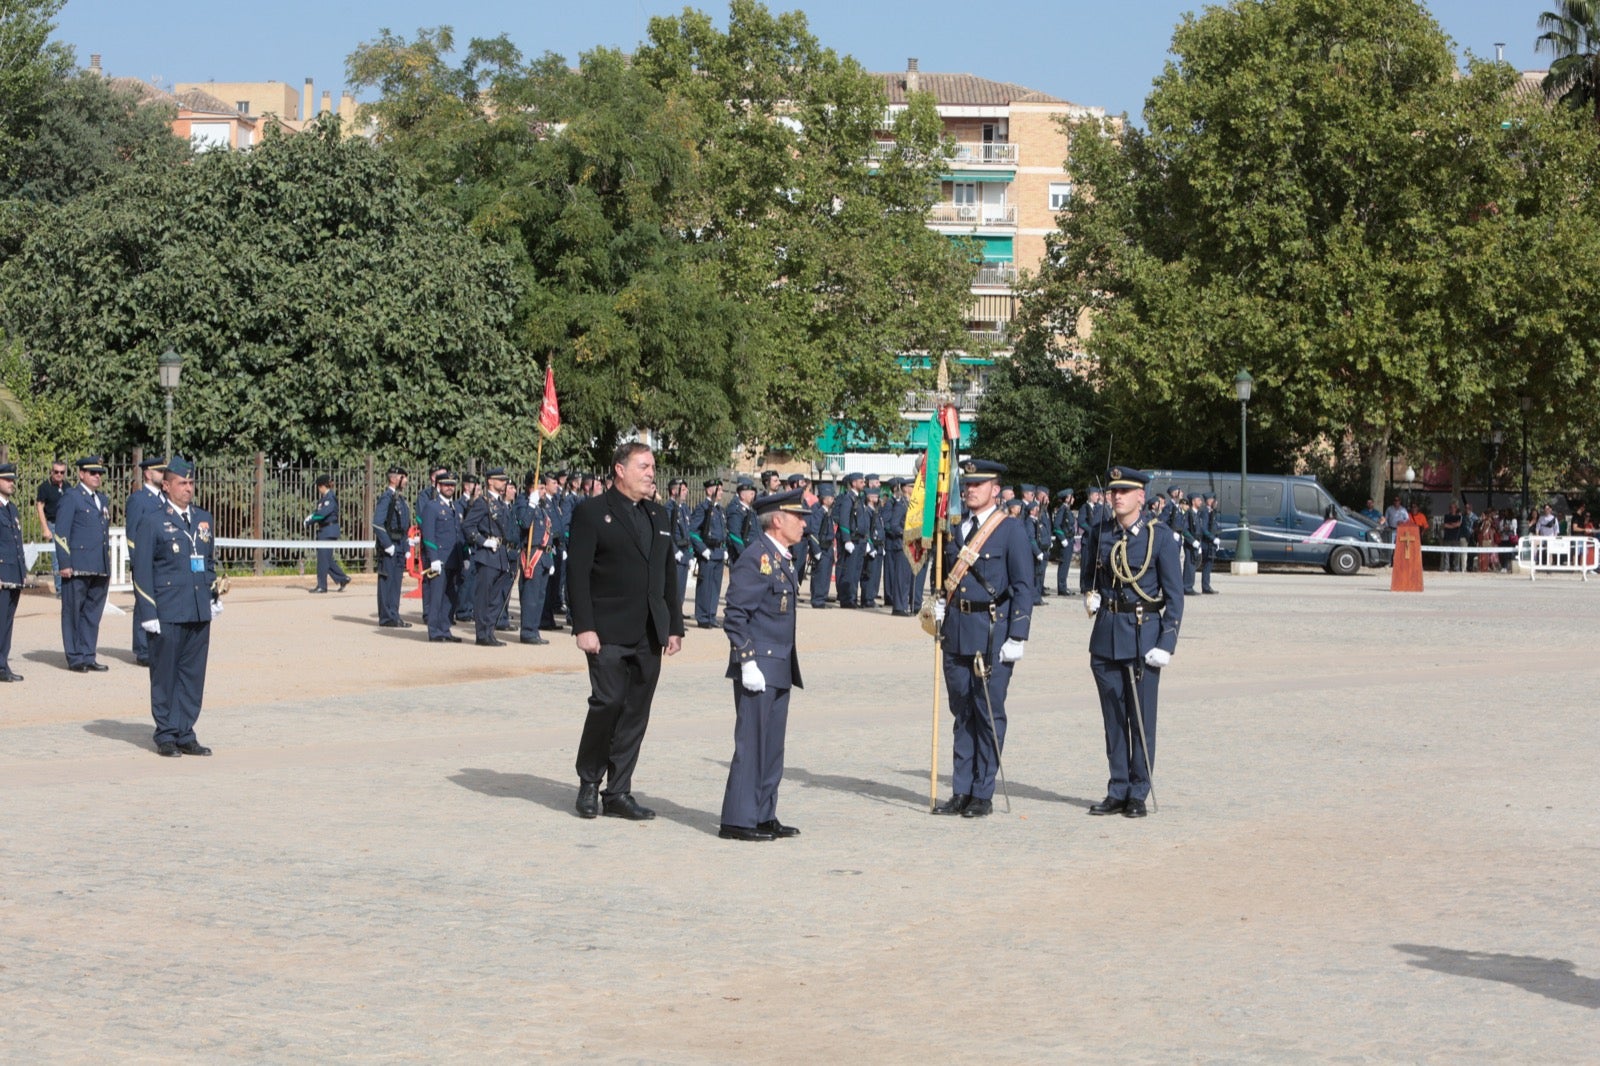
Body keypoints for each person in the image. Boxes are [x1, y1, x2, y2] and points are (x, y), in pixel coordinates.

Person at [567, 441, 685, 821]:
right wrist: (584, 627)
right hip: (608, 629)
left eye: (653, 466)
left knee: (636, 711)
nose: (652, 472)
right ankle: (589, 782)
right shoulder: (592, 512)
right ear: (620, 469)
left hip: (649, 630)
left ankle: (618, 792)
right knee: (608, 703)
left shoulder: (659, 514)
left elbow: (668, 574)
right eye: (644, 466)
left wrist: (674, 626)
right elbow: (578, 575)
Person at [930, 459, 1034, 820]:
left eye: (979, 484)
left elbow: (1023, 586)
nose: (970, 489)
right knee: (962, 713)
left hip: (992, 633)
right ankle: (960, 789)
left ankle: (982, 791)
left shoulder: (1010, 530)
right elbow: (941, 576)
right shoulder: (954, 528)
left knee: (988, 713)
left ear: (995, 488)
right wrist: (937, 606)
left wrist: (1018, 634)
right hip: (957, 630)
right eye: (967, 483)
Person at [1080, 466, 1184, 819]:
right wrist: (1089, 596)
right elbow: (1089, 578)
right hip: (1107, 634)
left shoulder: (1159, 537)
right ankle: (1118, 787)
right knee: (1113, 720)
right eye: (1113, 492)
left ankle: (1138, 790)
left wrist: (1166, 643)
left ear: (1142, 496)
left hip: (1143, 635)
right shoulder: (1100, 534)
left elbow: (1175, 595)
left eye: (1125, 491)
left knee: (1140, 720)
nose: (1117, 497)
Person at [718, 488, 810, 841]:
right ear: (777, 520)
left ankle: (762, 813)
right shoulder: (757, 557)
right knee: (752, 744)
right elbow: (736, 616)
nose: (803, 523)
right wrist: (746, 661)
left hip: (780, 664)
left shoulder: (782, 557)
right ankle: (738, 818)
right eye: (797, 517)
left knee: (772, 746)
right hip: (759, 665)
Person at [130, 457, 222, 757]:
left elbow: (207, 562)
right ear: (166, 486)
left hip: (196, 609)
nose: (188, 488)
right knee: (165, 674)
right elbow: (141, 570)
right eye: (182, 483)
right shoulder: (153, 521)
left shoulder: (203, 519)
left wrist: (213, 596)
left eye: (191, 482)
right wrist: (148, 613)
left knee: (192, 675)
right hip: (167, 610)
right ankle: (166, 733)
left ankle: (186, 732)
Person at [55, 455, 113, 672]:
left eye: (99, 473)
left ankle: (88, 654)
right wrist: (64, 562)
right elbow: (61, 533)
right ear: (81, 474)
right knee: (72, 612)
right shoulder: (72, 497)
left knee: (92, 613)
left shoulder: (102, 499)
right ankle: (75, 656)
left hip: (98, 564)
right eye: (92, 473)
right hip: (77, 565)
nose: (97, 476)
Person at [462, 468, 516, 646]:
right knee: (484, 597)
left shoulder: (501, 503)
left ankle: (489, 630)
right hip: (487, 555)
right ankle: (482, 634)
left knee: (497, 597)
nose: (504, 483)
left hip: (501, 555)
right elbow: (468, 526)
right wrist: (482, 541)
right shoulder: (483, 503)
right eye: (500, 480)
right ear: (490, 481)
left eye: (505, 480)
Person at [125, 456, 168, 665]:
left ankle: (156, 647)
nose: (163, 475)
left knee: (160, 604)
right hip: (145, 562)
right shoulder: (138, 499)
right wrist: (138, 562)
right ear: (148, 474)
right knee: (144, 605)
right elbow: (132, 534)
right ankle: (142, 650)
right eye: (159, 471)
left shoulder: (164, 499)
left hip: (162, 563)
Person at [419, 473, 465, 642]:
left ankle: (445, 629)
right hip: (440, 559)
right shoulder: (432, 507)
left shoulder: (457, 507)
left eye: (452, 485)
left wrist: (464, 556)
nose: (449, 488)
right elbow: (428, 535)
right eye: (446, 485)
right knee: (437, 596)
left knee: (450, 597)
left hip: (454, 559)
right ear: (439, 486)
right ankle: (434, 630)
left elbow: (460, 533)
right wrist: (433, 558)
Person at [514, 470, 555, 646]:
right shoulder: (524, 503)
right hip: (533, 555)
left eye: (544, 488)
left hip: (544, 556)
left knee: (539, 597)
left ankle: (534, 629)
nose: (544, 491)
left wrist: (551, 559)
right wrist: (531, 504)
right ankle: (528, 631)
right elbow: (524, 523)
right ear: (532, 488)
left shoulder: (542, 507)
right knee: (530, 596)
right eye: (541, 487)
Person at [372, 466, 414, 628]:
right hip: (389, 545)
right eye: (404, 477)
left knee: (396, 582)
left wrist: (406, 547)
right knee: (387, 582)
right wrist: (387, 544)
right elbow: (377, 523)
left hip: (399, 545)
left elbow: (403, 526)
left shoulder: (399, 498)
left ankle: (393, 615)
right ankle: (387, 616)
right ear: (394, 479)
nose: (406, 481)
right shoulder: (387, 498)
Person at [688, 478, 728, 628]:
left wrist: (724, 550)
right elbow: (692, 531)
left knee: (716, 586)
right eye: (720, 490)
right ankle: (703, 616)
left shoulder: (719, 509)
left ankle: (711, 615)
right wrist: (702, 549)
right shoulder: (702, 508)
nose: (722, 493)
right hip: (708, 551)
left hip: (718, 551)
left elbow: (723, 532)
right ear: (711, 490)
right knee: (705, 585)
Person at [0, 463, 25, 682]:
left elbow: (16, 543)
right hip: (1, 573)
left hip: (12, 573)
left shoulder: (11, 508)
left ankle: (2, 664)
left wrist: (21, 571)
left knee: (7, 623)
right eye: (7, 479)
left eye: (12, 480)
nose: (11, 483)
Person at [305, 474, 349, 593]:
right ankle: (342, 578)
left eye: (319, 487)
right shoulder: (324, 498)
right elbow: (319, 512)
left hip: (328, 531)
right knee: (326, 559)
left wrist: (311, 519)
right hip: (324, 531)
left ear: (322, 486)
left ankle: (322, 586)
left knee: (323, 560)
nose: (318, 489)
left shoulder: (330, 498)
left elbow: (323, 513)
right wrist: (313, 516)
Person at [34, 460, 68, 596]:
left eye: (62, 472)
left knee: (68, 557)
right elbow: (39, 507)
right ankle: (60, 590)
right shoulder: (44, 487)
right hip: (53, 524)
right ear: (51, 472)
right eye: (56, 472)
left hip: (66, 525)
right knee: (56, 558)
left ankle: (67, 588)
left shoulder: (68, 487)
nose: (59, 474)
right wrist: (45, 528)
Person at [665, 477, 693, 612]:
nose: (686, 492)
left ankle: (677, 614)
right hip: (675, 554)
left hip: (685, 553)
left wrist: (691, 552)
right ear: (673, 491)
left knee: (681, 588)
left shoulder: (684, 508)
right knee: (674, 589)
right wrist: (674, 550)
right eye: (683, 489)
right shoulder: (668, 508)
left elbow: (688, 532)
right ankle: (672, 617)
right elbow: (667, 532)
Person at [1198, 493, 1220, 594]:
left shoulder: (1212, 512)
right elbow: (1204, 528)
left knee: (1209, 564)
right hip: (1207, 543)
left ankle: (1206, 585)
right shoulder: (1205, 512)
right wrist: (1212, 538)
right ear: (1208, 501)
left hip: (1211, 542)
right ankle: (1205, 586)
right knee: (1207, 564)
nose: (1215, 502)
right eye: (1213, 499)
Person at [1440, 502, 1465, 573]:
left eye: (1453, 507)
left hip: (1456, 538)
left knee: (1457, 554)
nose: (1452, 509)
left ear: (1456, 508)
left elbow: (1459, 524)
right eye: (1450, 507)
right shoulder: (1446, 516)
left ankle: (1456, 568)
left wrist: (1451, 524)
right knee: (1446, 554)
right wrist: (1454, 525)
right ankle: (1446, 568)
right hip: (1447, 537)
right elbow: (1445, 525)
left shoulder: (1459, 516)